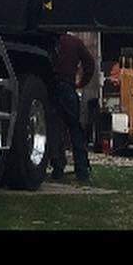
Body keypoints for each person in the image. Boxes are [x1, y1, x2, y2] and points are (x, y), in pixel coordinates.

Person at [48, 31, 96, 182]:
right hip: (68, 87)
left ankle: (57, 166)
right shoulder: (74, 42)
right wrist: (82, 83)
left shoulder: (51, 42)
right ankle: (81, 169)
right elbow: (89, 63)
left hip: (52, 87)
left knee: (54, 128)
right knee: (75, 129)